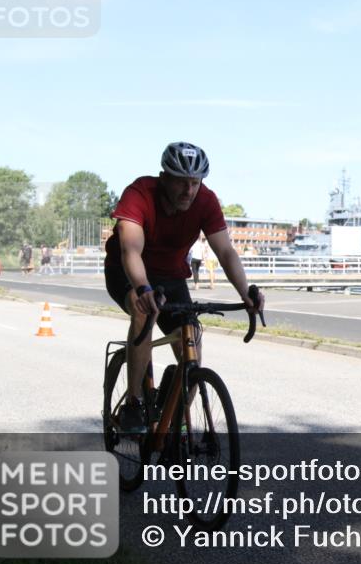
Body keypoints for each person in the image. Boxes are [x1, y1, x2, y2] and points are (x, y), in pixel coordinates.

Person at [103, 142, 265, 433]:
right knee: (144, 313)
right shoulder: (139, 194)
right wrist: (143, 289)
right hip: (128, 271)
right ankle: (134, 404)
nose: (189, 191)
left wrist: (246, 293)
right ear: (164, 177)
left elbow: (225, 252)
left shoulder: (206, 201)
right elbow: (130, 250)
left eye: (195, 183)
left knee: (191, 344)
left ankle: (172, 417)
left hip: (171, 277)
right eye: (181, 182)